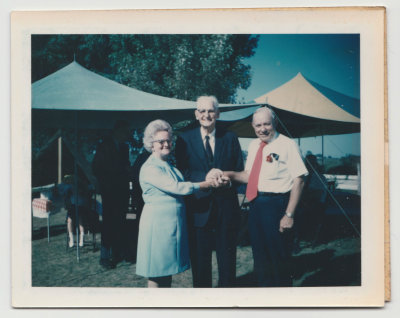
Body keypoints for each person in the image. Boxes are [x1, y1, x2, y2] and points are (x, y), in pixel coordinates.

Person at [217, 107, 308, 287]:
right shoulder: (253, 145)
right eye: (258, 125)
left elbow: (300, 180)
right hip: (256, 206)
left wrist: (288, 215)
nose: (262, 129)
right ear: (253, 126)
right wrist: (227, 173)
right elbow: (248, 175)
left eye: (266, 124)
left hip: (277, 206)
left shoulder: (287, 144)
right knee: (260, 260)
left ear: (274, 123)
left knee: (278, 261)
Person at [136, 119, 219, 288]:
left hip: (171, 227)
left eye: (168, 140)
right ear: (151, 144)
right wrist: (204, 184)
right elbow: (177, 187)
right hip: (157, 226)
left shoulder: (169, 166)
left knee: (166, 271)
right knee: (157, 273)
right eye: (161, 141)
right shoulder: (150, 167)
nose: (166, 144)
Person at [175, 96, 244, 287]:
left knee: (228, 263)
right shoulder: (184, 139)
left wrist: (226, 182)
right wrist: (207, 176)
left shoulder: (230, 137)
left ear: (218, 113)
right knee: (200, 263)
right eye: (202, 111)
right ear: (196, 114)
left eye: (211, 111)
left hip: (226, 209)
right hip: (198, 209)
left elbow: (239, 170)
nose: (207, 115)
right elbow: (182, 172)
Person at [92, 120, 131, 269]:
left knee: (120, 222)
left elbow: (125, 165)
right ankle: (105, 257)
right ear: (118, 131)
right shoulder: (104, 146)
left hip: (122, 192)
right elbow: (96, 167)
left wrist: (126, 170)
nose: (128, 135)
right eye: (126, 132)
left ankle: (118, 253)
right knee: (108, 223)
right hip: (110, 192)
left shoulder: (124, 148)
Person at [57, 174, 91, 248]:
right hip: (76, 206)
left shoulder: (73, 186)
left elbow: (62, 193)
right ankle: (75, 239)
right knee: (74, 220)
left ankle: (77, 239)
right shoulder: (73, 186)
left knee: (75, 220)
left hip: (77, 206)